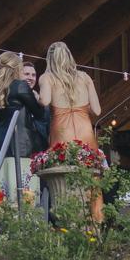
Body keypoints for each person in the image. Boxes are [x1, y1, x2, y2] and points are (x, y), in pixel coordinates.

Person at [38, 41, 104, 224]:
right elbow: (97, 110)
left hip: (62, 130)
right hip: (85, 129)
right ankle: (95, 222)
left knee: (63, 177)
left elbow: (45, 101)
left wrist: (35, 96)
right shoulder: (84, 77)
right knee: (92, 176)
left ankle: (67, 222)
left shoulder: (47, 78)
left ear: (50, 59)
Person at [0, 53, 42, 209]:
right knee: (25, 196)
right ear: (16, 68)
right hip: (21, 147)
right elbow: (38, 112)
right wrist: (38, 99)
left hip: (0, 147)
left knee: (3, 197)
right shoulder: (20, 85)